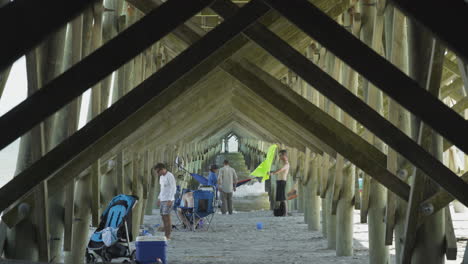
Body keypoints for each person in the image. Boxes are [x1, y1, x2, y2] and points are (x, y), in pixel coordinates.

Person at [154, 163, 176, 240]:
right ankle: (165, 234)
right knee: (163, 217)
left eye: (158, 171)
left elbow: (173, 188)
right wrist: (159, 198)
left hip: (168, 199)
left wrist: (170, 199)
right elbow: (162, 189)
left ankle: (168, 235)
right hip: (163, 199)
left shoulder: (170, 176)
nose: (157, 173)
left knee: (167, 217)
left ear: (162, 169)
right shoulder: (161, 177)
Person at [270, 149, 290, 216]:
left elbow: (281, 170)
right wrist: (271, 172)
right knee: (279, 197)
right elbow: (278, 169)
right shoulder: (282, 163)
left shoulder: (287, 164)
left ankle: (286, 212)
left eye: (280, 155)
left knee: (283, 197)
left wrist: (273, 173)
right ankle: (281, 212)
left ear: (284, 155)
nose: (280, 157)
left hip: (282, 181)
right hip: (279, 181)